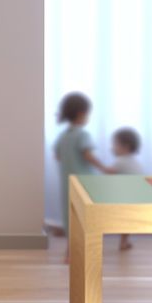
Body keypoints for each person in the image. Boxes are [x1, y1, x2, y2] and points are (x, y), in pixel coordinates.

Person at [54, 93, 113, 249]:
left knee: (70, 215)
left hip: (67, 182)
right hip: (84, 183)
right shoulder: (82, 134)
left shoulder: (63, 136)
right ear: (82, 114)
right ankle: (85, 249)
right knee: (86, 215)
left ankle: (70, 250)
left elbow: (57, 156)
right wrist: (104, 168)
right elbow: (88, 155)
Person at [110, 127, 143, 251]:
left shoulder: (120, 161)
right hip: (133, 196)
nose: (112, 148)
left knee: (123, 221)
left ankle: (123, 242)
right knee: (126, 222)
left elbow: (109, 174)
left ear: (126, 147)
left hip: (124, 197)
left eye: (115, 145)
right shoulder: (134, 161)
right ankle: (124, 241)